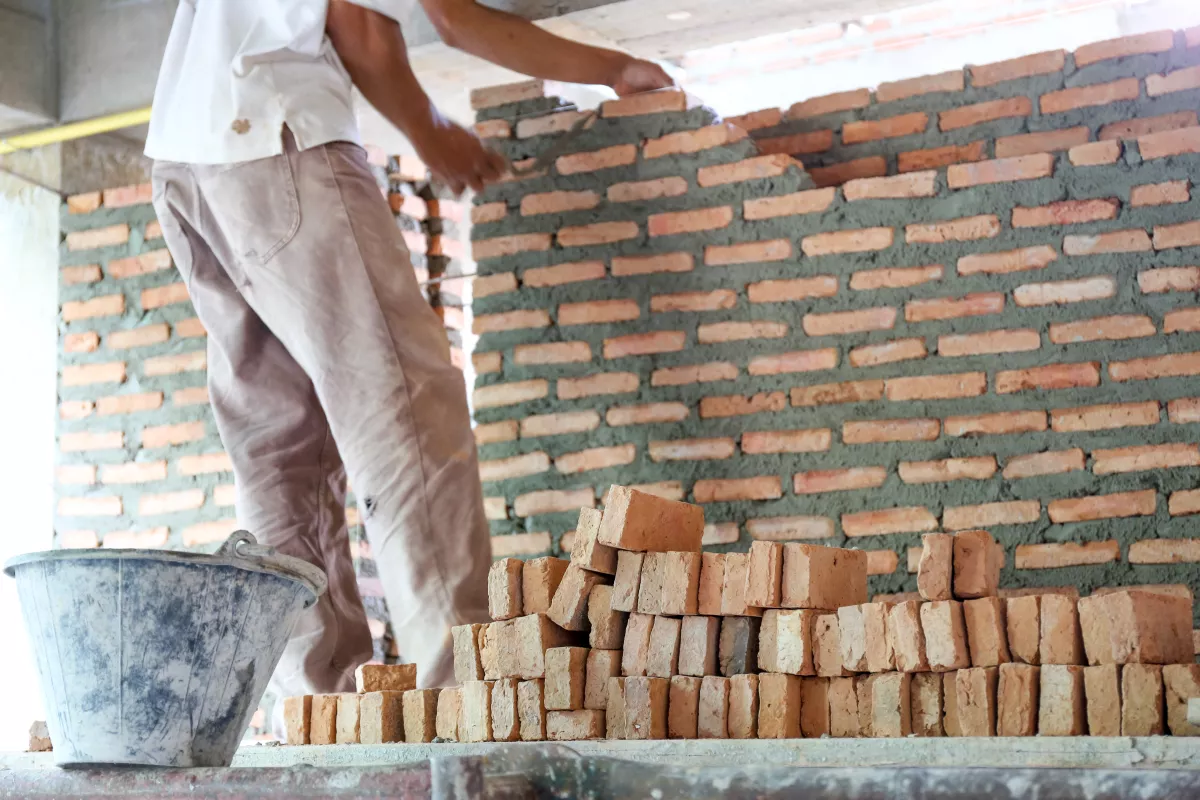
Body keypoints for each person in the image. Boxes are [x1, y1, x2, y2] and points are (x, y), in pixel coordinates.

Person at [143, 0, 673, 731]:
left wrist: (613, 68)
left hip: (188, 169)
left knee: (280, 445)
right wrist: (435, 132)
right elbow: (386, 22)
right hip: (277, 136)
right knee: (407, 412)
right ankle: (461, 701)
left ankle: (314, 710)